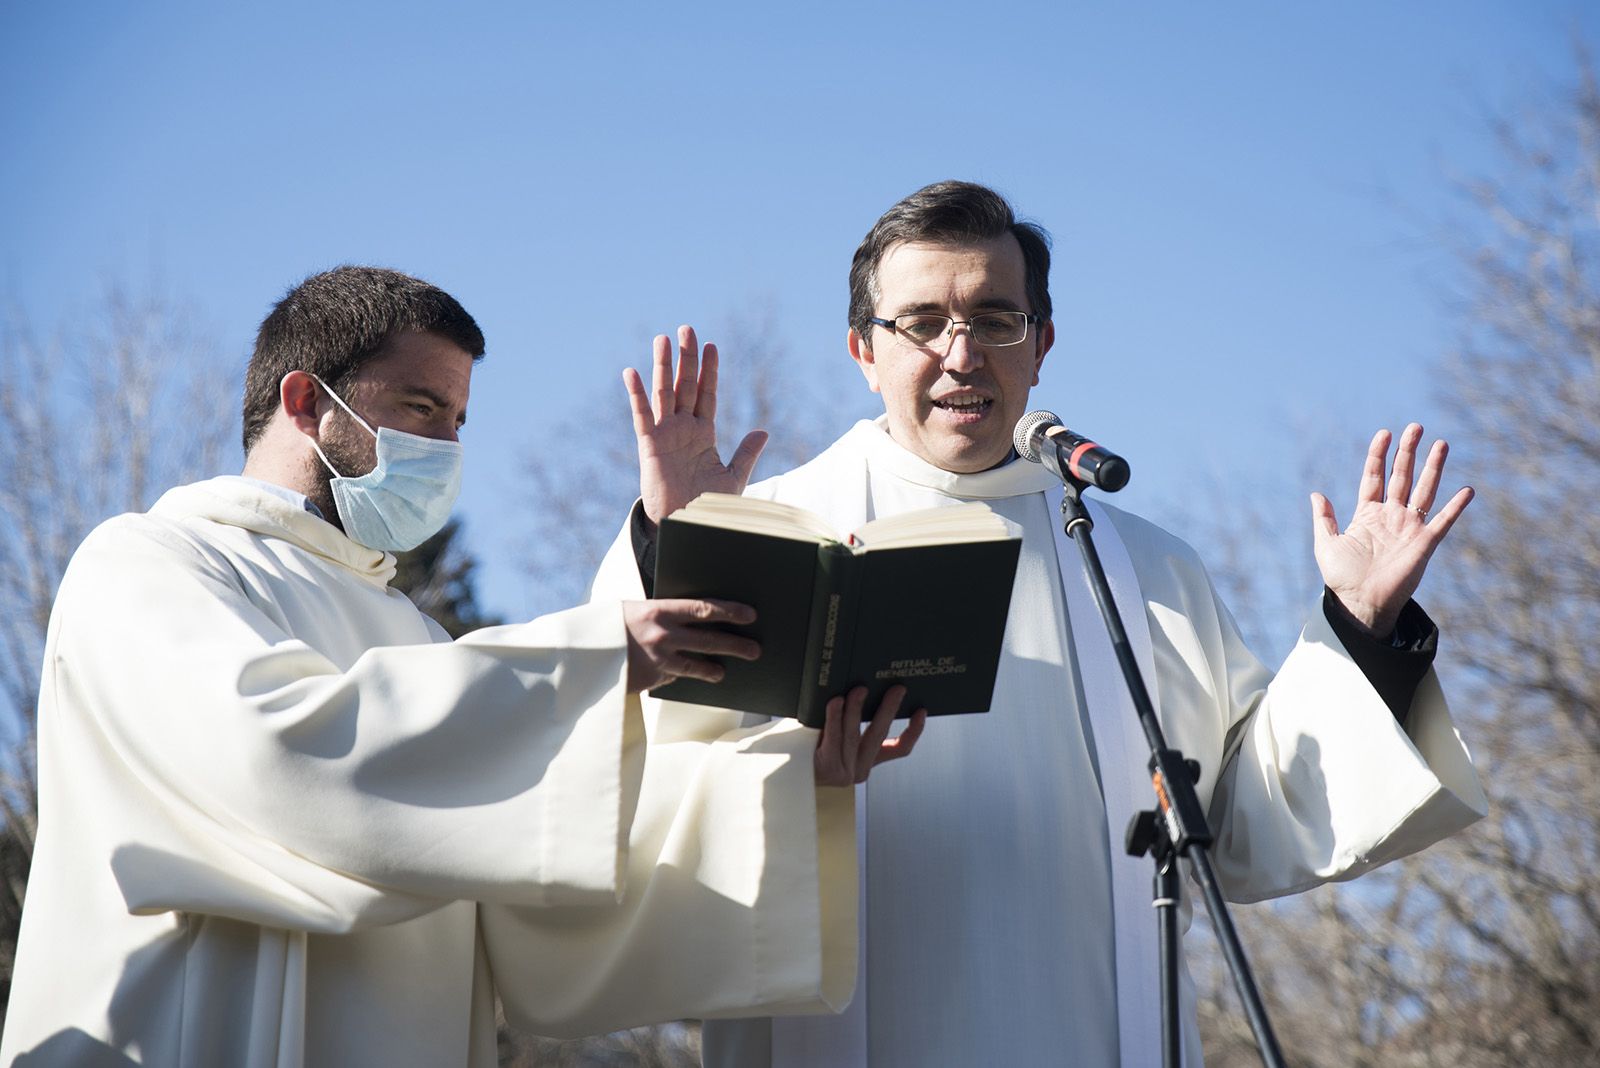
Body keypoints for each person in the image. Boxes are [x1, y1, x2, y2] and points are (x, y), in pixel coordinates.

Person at [592, 181, 1489, 1067]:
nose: (961, 354)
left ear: (1041, 345)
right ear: (864, 351)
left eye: (994, 320)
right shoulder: (767, 535)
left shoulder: (1143, 568)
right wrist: (676, 553)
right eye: (921, 324)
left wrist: (1360, 624)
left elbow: (1241, 819)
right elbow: (626, 789)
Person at [1, 266, 923, 1068]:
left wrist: (794, 780)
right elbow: (283, 761)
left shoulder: (415, 641)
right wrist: (602, 656)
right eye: (420, 408)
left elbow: (540, 904)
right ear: (305, 401)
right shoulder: (150, 563)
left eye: (458, 420)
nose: (446, 447)